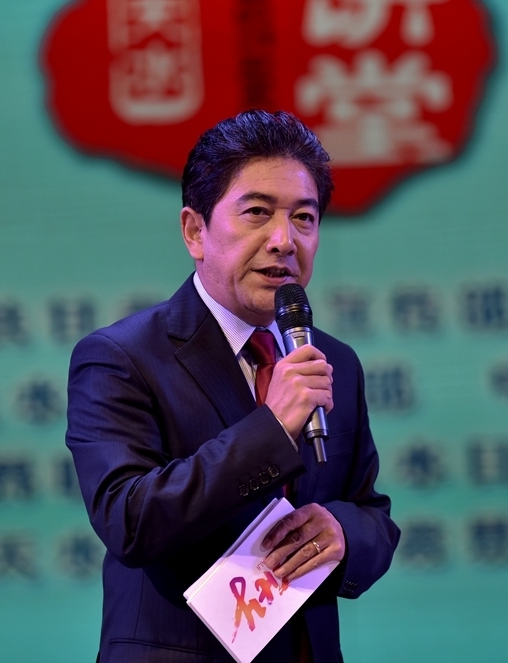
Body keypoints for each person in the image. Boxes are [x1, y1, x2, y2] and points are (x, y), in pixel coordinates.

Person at [66, 109, 399, 663]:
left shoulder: (331, 359)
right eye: (257, 213)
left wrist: (343, 532)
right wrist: (271, 429)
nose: (283, 240)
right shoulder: (121, 357)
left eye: (304, 218)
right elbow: (129, 521)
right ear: (195, 231)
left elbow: (372, 513)